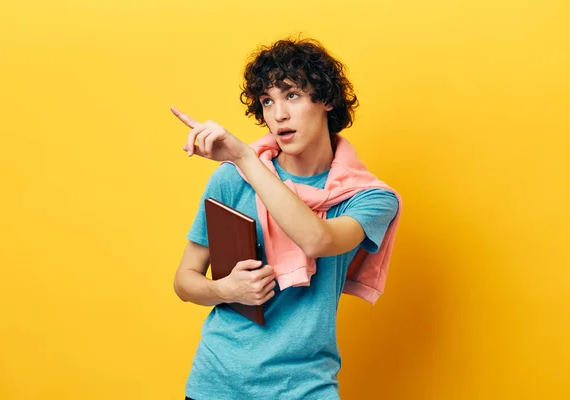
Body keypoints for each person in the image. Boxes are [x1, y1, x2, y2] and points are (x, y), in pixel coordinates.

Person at [171, 37, 401, 400]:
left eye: (291, 95)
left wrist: (246, 160)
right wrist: (223, 289)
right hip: (219, 382)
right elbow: (185, 280)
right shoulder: (232, 179)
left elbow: (318, 240)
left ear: (325, 99)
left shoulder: (369, 198)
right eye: (267, 101)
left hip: (305, 386)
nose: (278, 115)